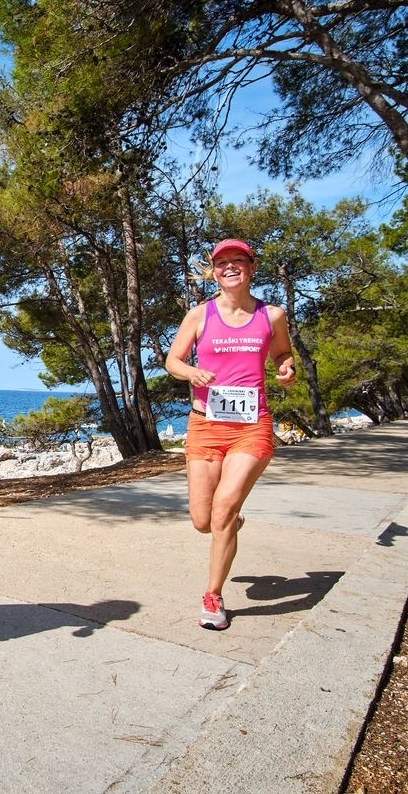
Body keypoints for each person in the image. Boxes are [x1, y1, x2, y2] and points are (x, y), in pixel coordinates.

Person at [165, 239, 297, 630]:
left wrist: (287, 368)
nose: (230, 267)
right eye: (222, 263)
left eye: (238, 261)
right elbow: (173, 360)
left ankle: (213, 595)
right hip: (205, 424)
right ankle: (229, 525)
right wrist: (192, 373)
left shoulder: (271, 315)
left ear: (252, 267)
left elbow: (282, 354)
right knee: (203, 520)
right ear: (214, 271)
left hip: (251, 426)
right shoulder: (199, 315)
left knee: (223, 510)